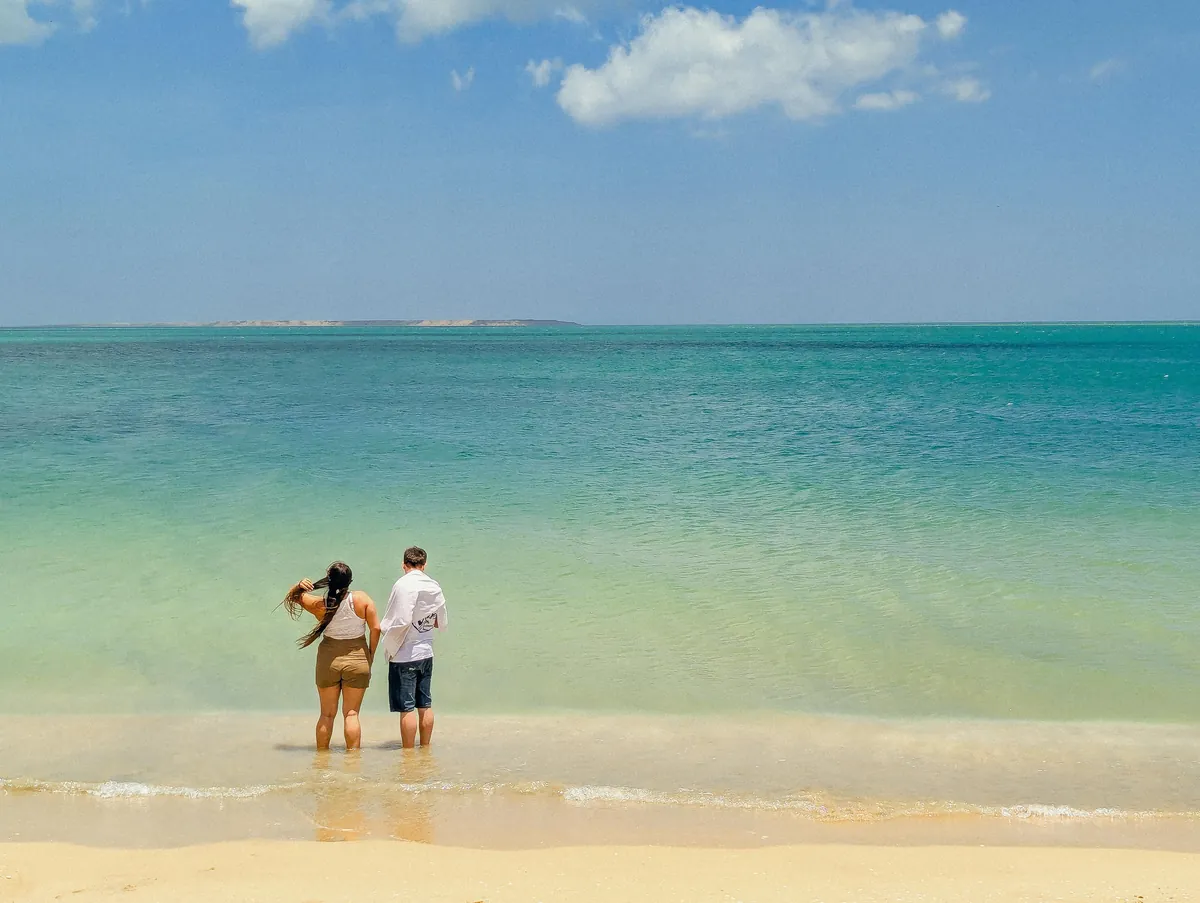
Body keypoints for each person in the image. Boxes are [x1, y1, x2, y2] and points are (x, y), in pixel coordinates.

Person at [283, 562, 381, 751]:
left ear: (329, 580)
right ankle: (353, 762)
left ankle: (322, 761)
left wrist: (299, 585)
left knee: (326, 715)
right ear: (350, 581)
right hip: (357, 659)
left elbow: (293, 596)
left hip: (328, 660)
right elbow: (376, 628)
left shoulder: (320, 603)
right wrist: (370, 654)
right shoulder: (362, 599)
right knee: (351, 714)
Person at [379, 546, 447, 748]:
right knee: (425, 704)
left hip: (405, 654)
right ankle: (425, 748)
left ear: (404, 565)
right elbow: (440, 621)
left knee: (407, 709)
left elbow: (398, 620)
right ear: (424, 565)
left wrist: (384, 634)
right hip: (426, 652)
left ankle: (408, 754)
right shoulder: (434, 586)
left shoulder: (402, 585)